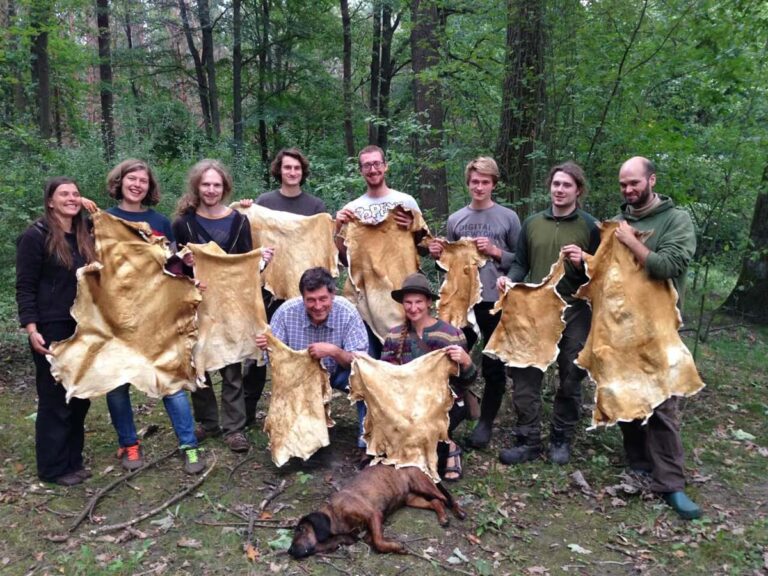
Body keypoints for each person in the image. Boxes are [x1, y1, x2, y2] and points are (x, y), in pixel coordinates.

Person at [101, 159, 206, 475]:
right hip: (117, 316)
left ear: (149, 187)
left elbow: (170, 267)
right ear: (119, 182)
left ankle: (188, 445)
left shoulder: (160, 221)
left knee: (169, 379)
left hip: (157, 315)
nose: (136, 185)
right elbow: (97, 267)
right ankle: (129, 443)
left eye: (142, 181)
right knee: (118, 385)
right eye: (131, 179)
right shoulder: (105, 220)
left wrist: (185, 270)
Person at [613, 156, 700, 520]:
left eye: (634, 183)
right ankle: (639, 465)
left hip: (661, 328)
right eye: (623, 184)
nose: (628, 190)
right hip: (621, 326)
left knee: (663, 406)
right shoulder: (620, 221)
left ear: (652, 180)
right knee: (626, 396)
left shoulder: (675, 220)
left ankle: (672, 483)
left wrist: (632, 242)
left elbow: (670, 265)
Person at [495, 162, 599, 466]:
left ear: (578, 190)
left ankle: (560, 438)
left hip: (574, 309)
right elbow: (520, 263)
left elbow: (604, 272)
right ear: (549, 187)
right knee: (526, 374)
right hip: (535, 310)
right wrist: (511, 280)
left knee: (571, 373)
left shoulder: (591, 226)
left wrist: (584, 262)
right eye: (556, 184)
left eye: (567, 185)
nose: (560, 190)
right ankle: (528, 439)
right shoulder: (532, 223)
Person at [173, 159, 273, 453]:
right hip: (196, 303)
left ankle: (234, 427)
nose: (211, 190)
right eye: (206, 184)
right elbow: (171, 267)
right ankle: (208, 421)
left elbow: (245, 265)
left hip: (231, 303)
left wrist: (262, 259)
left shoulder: (239, 221)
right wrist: (184, 263)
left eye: (217, 185)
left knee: (231, 362)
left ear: (225, 187)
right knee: (198, 360)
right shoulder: (184, 223)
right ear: (197, 186)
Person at [428, 157, 521, 450]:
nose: (479, 187)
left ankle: (485, 424)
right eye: (474, 182)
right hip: (461, 302)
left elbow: (520, 261)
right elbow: (447, 266)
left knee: (494, 365)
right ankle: (462, 407)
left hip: (495, 301)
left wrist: (495, 251)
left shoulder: (508, 218)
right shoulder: (456, 220)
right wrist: (437, 254)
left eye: (485, 182)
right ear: (467, 184)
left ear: (493, 184)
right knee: (453, 356)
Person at [16, 177, 96, 485]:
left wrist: (89, 207)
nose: (71, 198)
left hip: (83, 325)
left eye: (76, 193)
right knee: (55, 396)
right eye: (64, 194)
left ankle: (72, 461)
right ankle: (53, 468)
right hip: (51, 326)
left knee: (79, 395)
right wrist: (31, 327)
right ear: (50, 201)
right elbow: (24, 286)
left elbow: (114, 230)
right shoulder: (35, 237)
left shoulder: (83, 234)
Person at [241, 148, 327, 427]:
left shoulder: (315, 206)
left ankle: (303, 407)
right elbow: (250, 235)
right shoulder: (265, 202)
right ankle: (247, 410)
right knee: (261, 348)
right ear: (279, 170)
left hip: (305, 290)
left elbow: (322, 244)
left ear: (303, 172)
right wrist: (246, 210)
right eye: (287, 168)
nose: (292, 172)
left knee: (299, 350)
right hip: (270, 288)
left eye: (297, 168)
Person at [254, 267, 369, 448]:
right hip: (299, 379)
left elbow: (360, 361)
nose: (317, 306)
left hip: (337, 372)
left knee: (366, 381)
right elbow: (275, 363)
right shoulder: (286, 313)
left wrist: (334, 351)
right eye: (311, 300)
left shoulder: (347, 312)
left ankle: (366, 442)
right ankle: (295, 440)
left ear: (333, 295)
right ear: (302, 297)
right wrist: (269, 348)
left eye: (323, 299)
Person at [381, 273, 476, 482]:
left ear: (429, 303)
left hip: (446, 404)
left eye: (418, 302)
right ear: (402, 304)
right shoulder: (394, 335)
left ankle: (448, 446)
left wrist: (466, 362)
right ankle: (442, 446)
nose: (413, 308)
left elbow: (466, 382)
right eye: (408, 302)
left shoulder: (451, 334)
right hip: (407, 403)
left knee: (422, 428)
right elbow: (387, 376)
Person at [335, 145, 424, 358]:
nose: (372, 169)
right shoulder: (352, 209)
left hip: (401, 293)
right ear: (360, 170)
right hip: (368, 296)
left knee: (406, 357)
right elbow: (344, 258)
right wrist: (337, 227)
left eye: (376, 164)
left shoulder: (405, 201)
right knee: (373, 359)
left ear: (385, 167)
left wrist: (415, 224)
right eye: (367, 165)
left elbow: (424, 246)